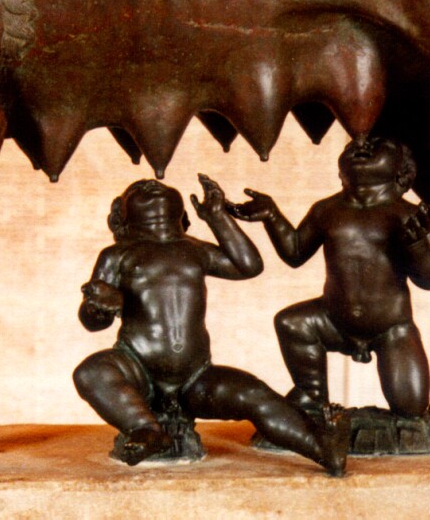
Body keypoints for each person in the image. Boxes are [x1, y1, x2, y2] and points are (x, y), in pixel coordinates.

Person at [73, 176, 348, 476]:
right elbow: (91, 321)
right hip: (137, 368)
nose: (151, 185)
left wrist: (218, 217)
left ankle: (323, 447)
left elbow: (247, 265)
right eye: (137, 189)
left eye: (158, 186)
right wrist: (100, 307)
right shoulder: (116, 255)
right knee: (91, 372)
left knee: (254, 394)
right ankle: (145, 428)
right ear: (121, 216)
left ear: (182, 215)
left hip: (196, 376)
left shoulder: (194, 249)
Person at [229, 138, 430, 418]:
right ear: (340, 170)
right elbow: (295, 252)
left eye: (379, 145)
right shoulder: (326, 210)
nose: (362, 146)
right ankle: (311, 393)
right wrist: (272, 216)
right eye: (352, 146)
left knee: (411, 408)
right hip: (332, 320)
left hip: (392, 328)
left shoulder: (408, 216)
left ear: (402, 171)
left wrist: (417, 245)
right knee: (292, 323)